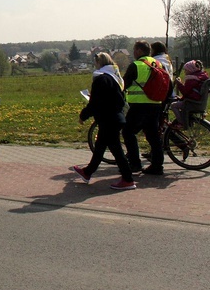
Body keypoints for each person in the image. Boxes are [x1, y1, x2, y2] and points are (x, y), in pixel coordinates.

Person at [71, 53, 136, 190]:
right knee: (100, 147)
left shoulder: (101, 79)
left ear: (99, 62)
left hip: (108, 119)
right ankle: (87, 172)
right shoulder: (115, 77)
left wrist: (83, 115)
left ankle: (128, 179)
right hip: (116, 117)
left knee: (117, 150)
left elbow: (95, 103)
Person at [122, 40, 165, 175]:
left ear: (139, 51)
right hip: (156, 104)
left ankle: (135, 163)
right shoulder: (158, 64)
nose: (134, 53)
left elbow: (124, 84)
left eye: (135, 50)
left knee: (128, 132)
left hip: (139, 105)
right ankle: (157, 166)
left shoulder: (136, 65)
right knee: (153, 135)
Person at [171, 60, 209, 126]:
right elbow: (192, 92)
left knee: (173, 105)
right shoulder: (201, 77)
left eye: (186, 70)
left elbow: (185, 92)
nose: (185, 72)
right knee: (179, 103)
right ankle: (189, 122)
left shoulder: (191, 79)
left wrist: (179, 84)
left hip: (192, 103)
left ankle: (181, 123)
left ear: (190, 70)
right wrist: (181, 99)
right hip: (199, 102)